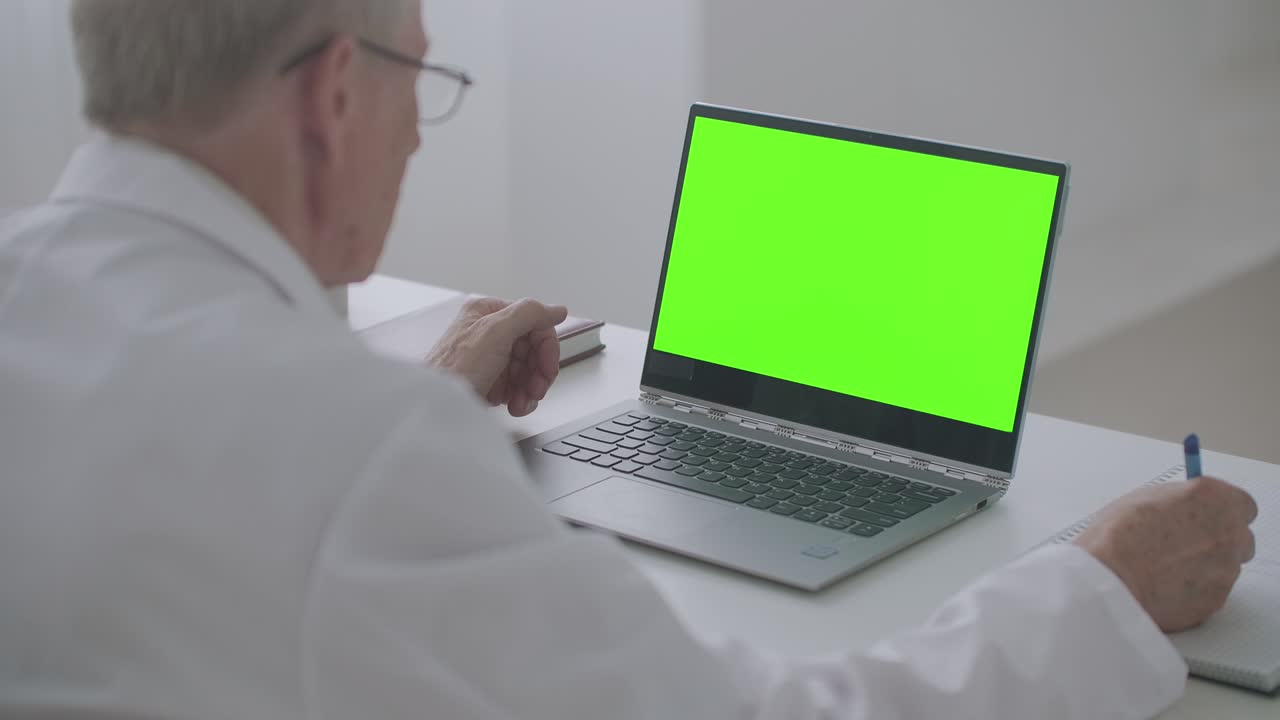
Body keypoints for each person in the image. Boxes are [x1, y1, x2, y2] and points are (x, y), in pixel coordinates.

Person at [0, 2, 1258, 719]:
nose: (416, 136)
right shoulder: (360, 455)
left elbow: (223, 493)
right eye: (420, 77)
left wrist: (417, 408)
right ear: (335, 93)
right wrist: (1102, 584)